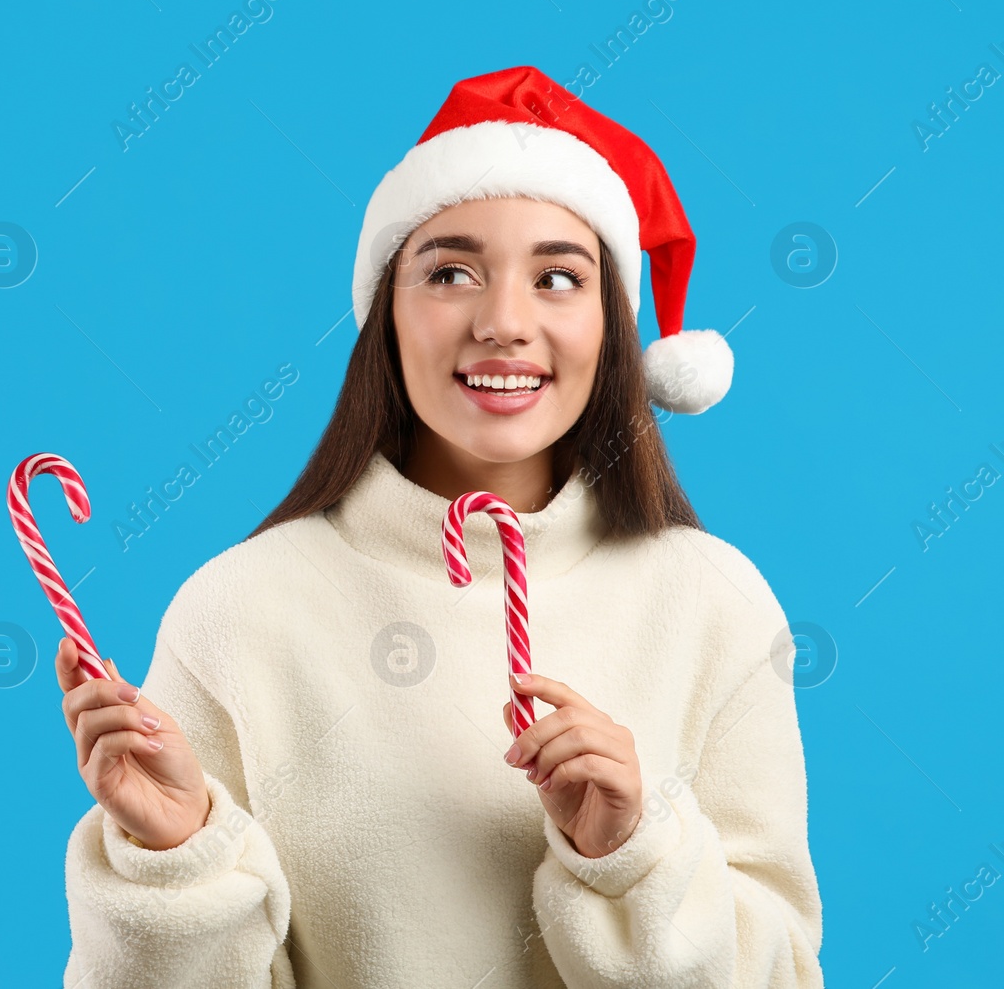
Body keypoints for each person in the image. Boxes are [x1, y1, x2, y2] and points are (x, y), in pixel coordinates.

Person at [57, 66, 824, 988]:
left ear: (612, 326)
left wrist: (634, 854)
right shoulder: (237, 611)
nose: (503, 322)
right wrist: (174, 856)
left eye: (557, 277)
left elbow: (783, 973)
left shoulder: (716, 605)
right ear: (387, 313)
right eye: (451, 271)